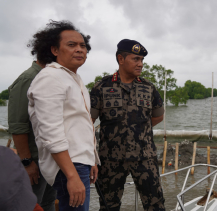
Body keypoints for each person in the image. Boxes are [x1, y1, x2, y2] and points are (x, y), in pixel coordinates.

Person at [27, 20, 100, 211]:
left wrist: (91, 159)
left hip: (79, 162)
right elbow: (51, 133)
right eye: (71, 45)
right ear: (54, 50)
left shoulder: (73, 78)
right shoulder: (50, 78)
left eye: (83, 46)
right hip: (68, 166)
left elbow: (81, 126)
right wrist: (72, 176)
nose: (79, 49)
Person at [90, 39, 165, 211]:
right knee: (109, 206)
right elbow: (89, 122)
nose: (140, 64)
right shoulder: (101, 87)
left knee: (155, 204)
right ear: (120, 59)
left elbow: (158, 116)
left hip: (144, 157)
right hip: (110, 159)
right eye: (136, 59)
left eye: (142, 60)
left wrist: (139, 130)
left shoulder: (148, 87)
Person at [8, 56, 57, 211]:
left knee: (48, 202)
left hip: (51, 158)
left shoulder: (50, 77)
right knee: (30, 204)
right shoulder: (28, 79)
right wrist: (27, 162)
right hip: (34, 159)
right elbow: (18, 124)